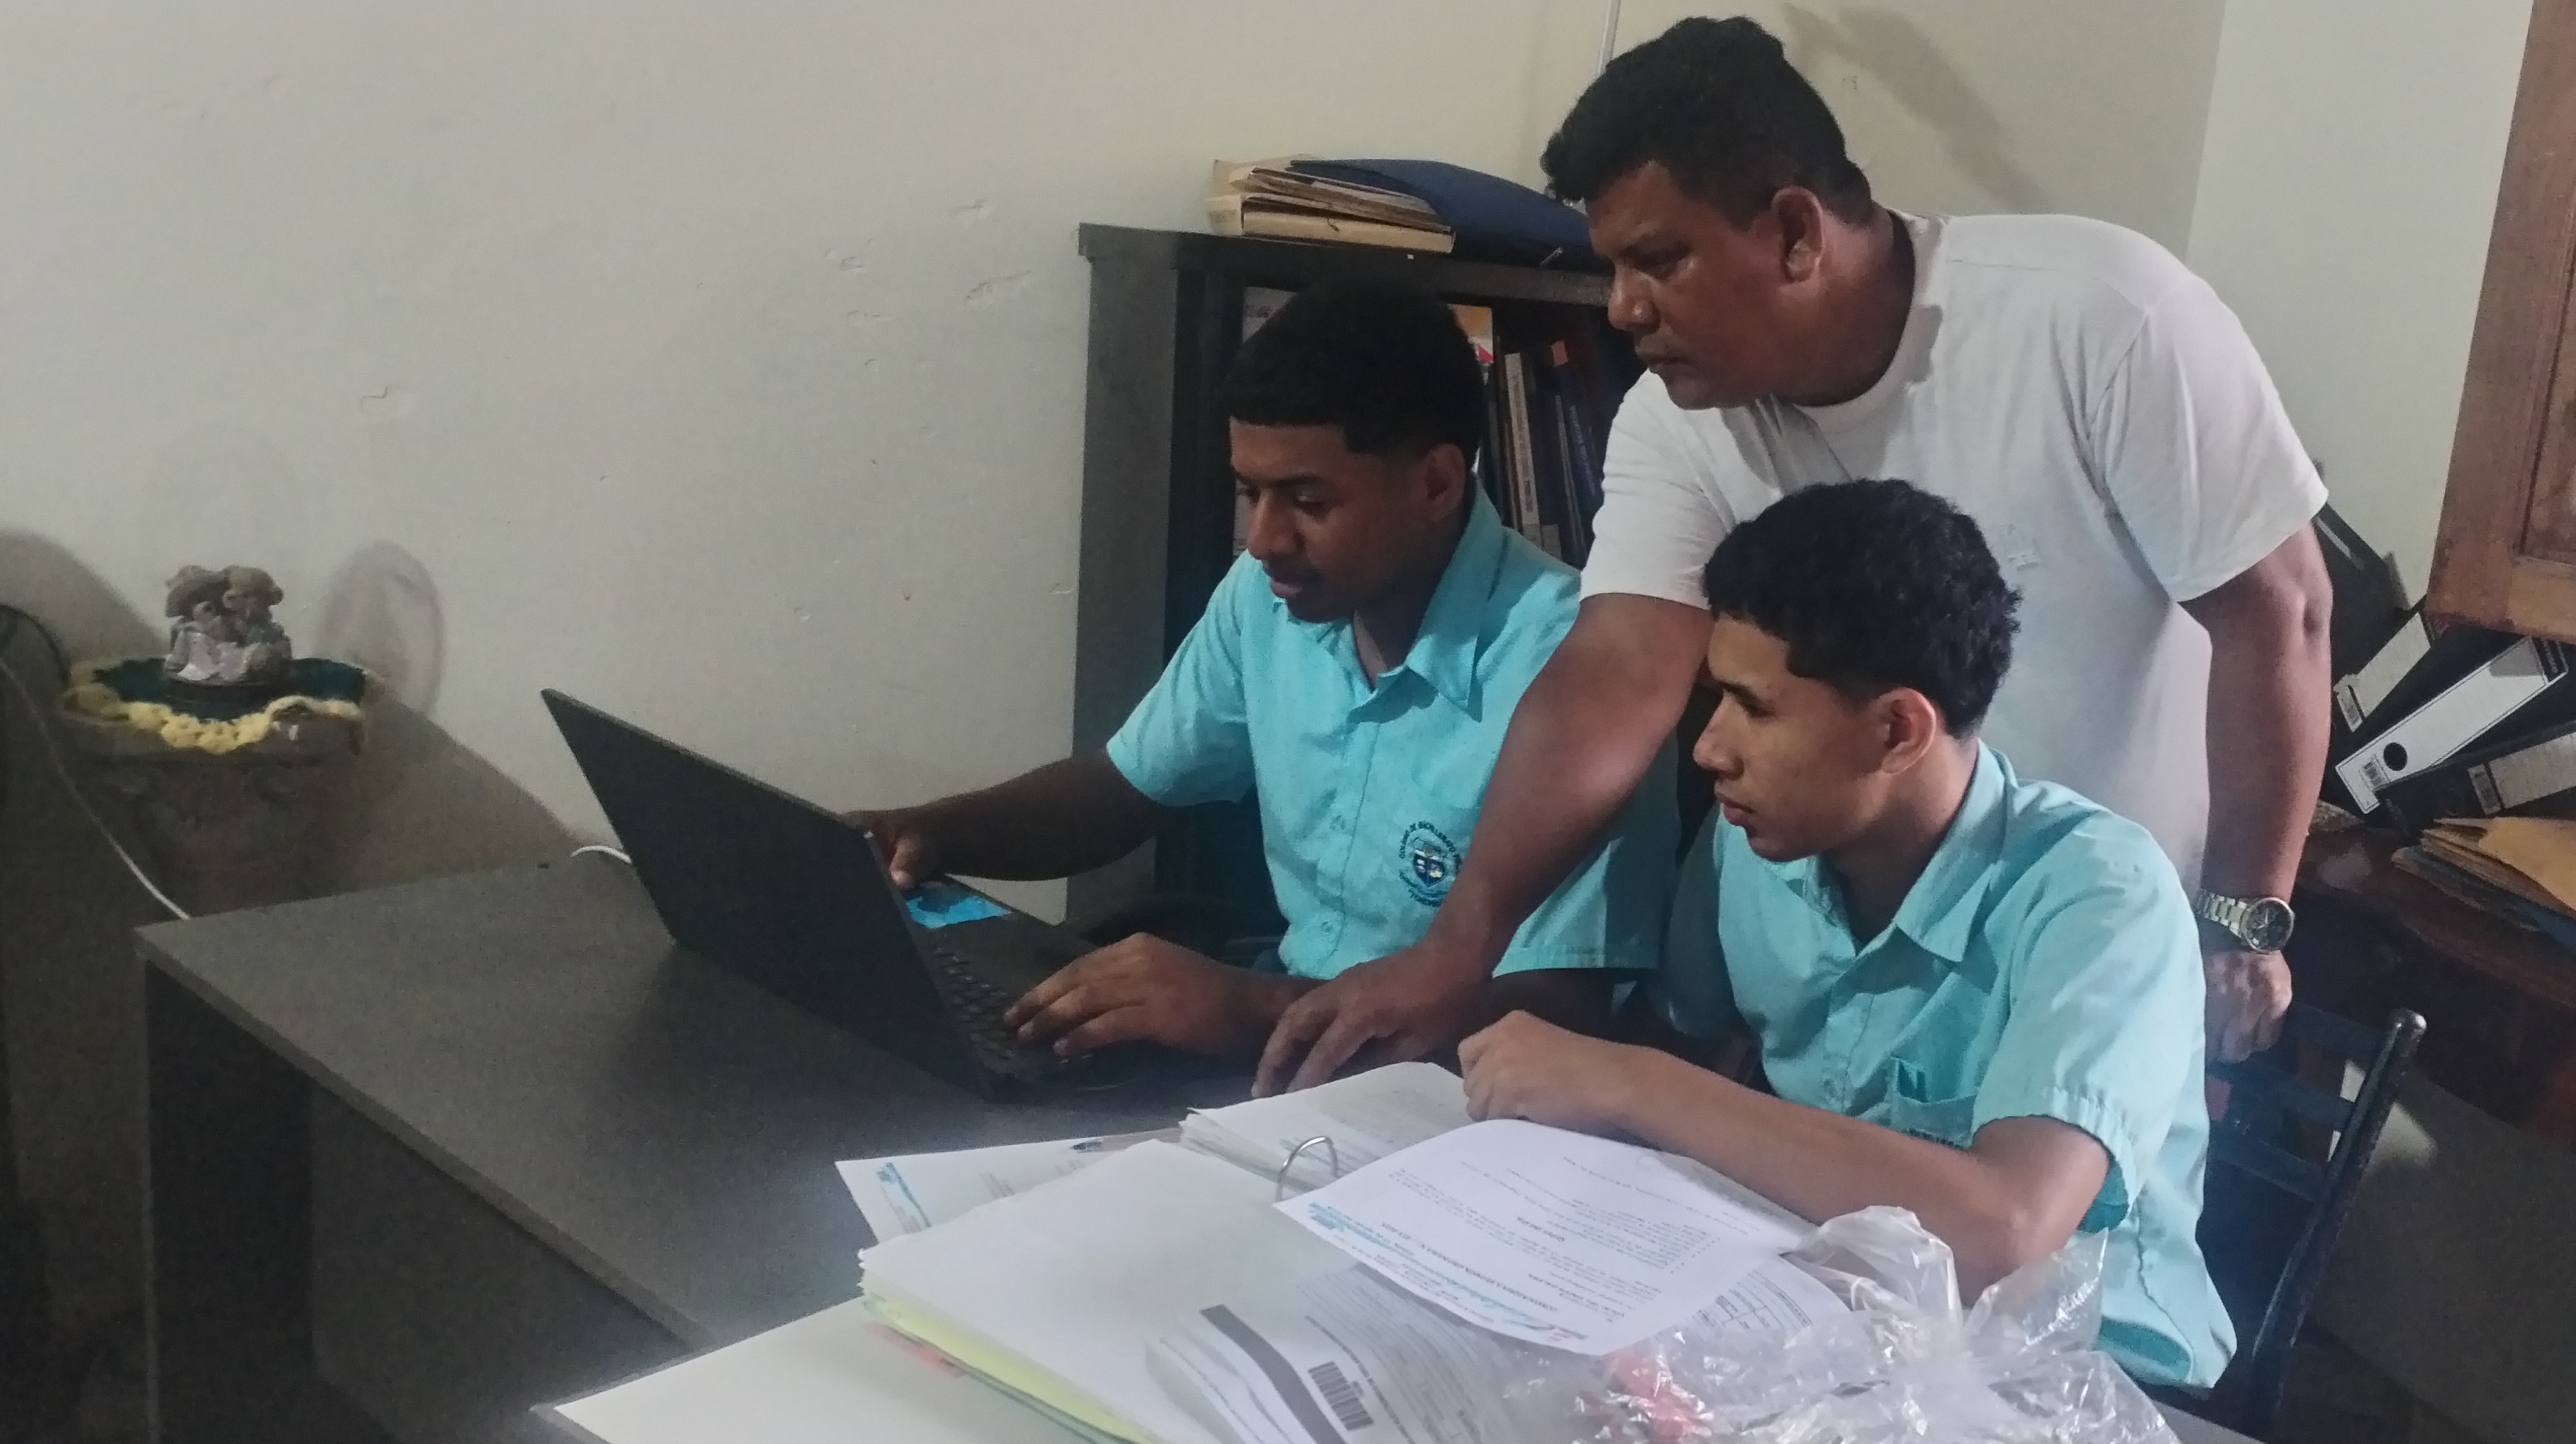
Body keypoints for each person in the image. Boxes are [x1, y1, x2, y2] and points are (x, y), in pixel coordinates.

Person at [1262, 15, 2333, 1092]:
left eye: (1660, 260)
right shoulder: (1677, 420)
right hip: (1866, 977)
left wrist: (2238, 925)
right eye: (1612, 266)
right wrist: (1460, 947)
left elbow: (2281, 614)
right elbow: (1616, 672)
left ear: (1794, 232)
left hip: (2102, 960)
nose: (1623, 307)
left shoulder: (2102, 316)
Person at [1457, 479, 2234, 1387]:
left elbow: (2003, 1232)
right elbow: (1683, 1040)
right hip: (1843, 1324)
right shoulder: (1757, 840)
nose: (1709, 747)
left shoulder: (2100, 897)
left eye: (1755, 707)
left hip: (2085, 1376)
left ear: (1898, 730)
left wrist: (1630, 1082)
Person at [853, 279, 1673, 1063]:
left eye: (1309, 502)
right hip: (1287, 1059)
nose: (1264, 539)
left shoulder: (1580, 667)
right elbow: (1126, 785)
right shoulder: (1270, 596)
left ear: (1436, 483)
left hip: (1454, 1103)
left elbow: (1563, 1008)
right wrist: (927, 833)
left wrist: (1248, 1008)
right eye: (1251, 492)